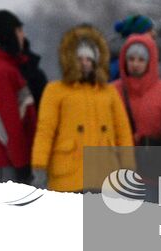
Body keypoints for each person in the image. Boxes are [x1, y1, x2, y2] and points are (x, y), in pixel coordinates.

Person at [30, 25, 133, 192]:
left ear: (96, 61)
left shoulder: (109, 92)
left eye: (89, 59)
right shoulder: (55, 90)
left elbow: (123, 132)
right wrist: (39, 165)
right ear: (71, 60)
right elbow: (45, 130)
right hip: (68, 174)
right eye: (80, 59)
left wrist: (128, 166)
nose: (85, 63)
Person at [113, 33, 161, 183]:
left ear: (150, 62)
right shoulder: (112, 92)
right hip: (117, 173)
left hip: (152, 173)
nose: (135, 64)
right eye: (131, 59)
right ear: (124, 60)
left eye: (141, 59)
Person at [0, 10, 38, 183]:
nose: (23, 36)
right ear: (8, 34)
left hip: (9, 159)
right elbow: (5, 122)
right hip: (7, 161)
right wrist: (21, 163)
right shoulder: (0, 71)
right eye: (19, 31)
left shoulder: (7, 67)